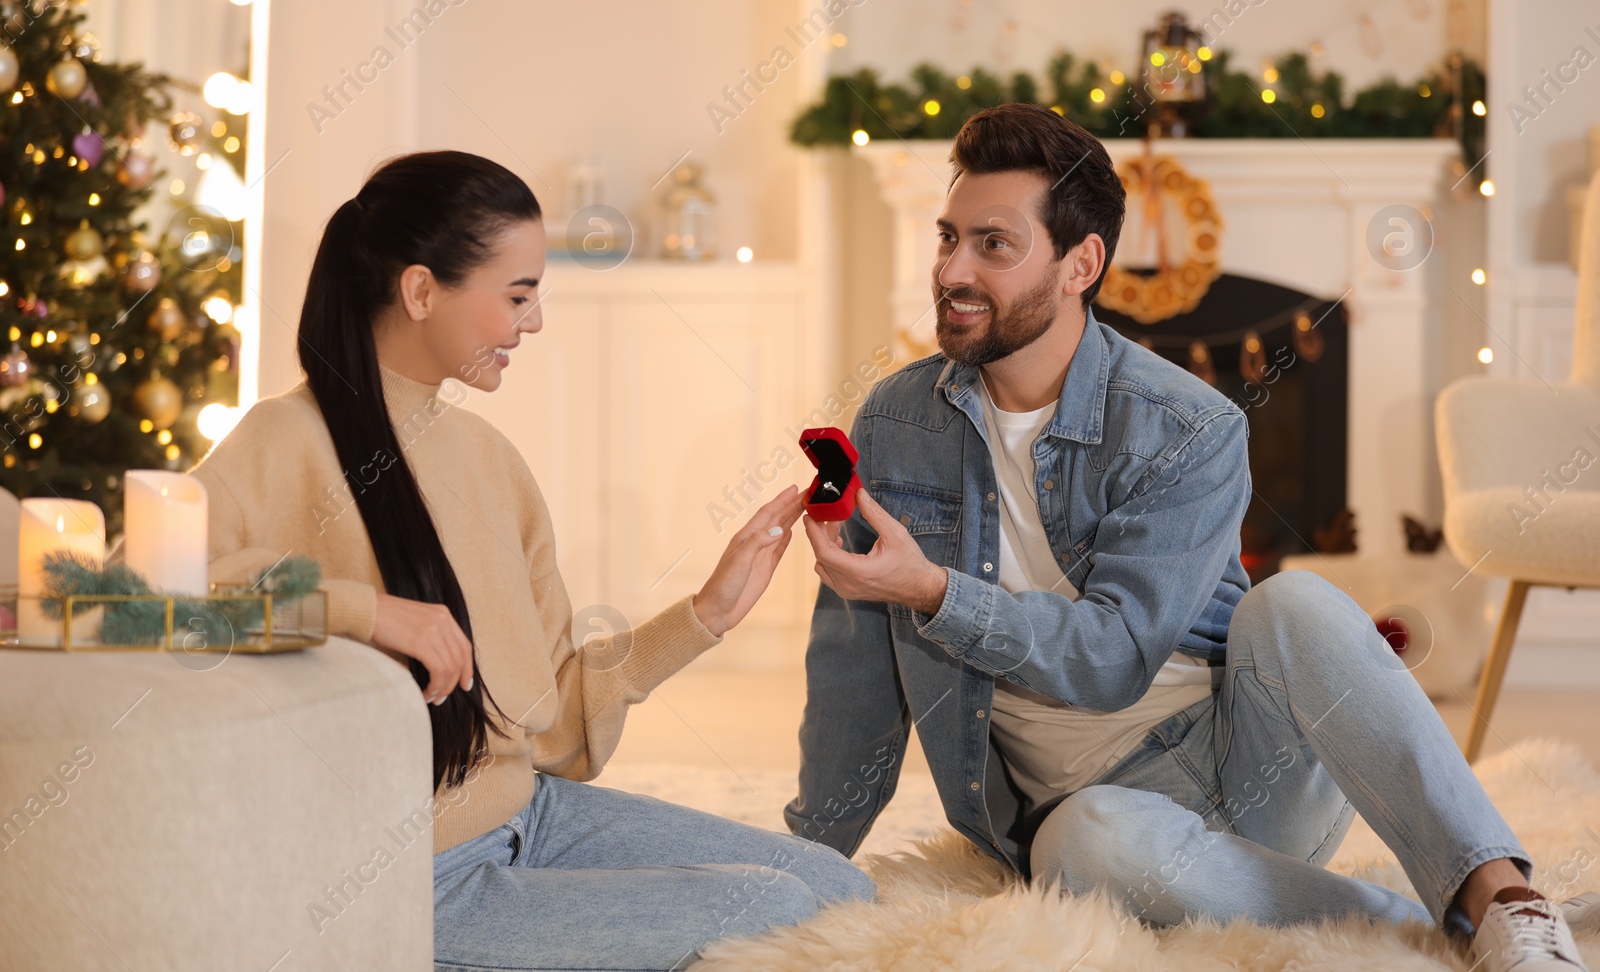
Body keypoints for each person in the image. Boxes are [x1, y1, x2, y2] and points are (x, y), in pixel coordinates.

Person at [785, 103, 1594, 972]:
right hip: (1088, 816)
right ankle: (1406, 922)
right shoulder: (898, 420)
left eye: (993, 243)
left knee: (1294, 600)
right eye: (948, 238)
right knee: (1076, 847)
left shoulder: (1187, 424)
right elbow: (852, 663)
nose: (952, 268)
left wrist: (938, 594)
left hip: (1244, 767)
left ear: (1080, 263)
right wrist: (804, 865)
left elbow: (1113, 658)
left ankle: (1503, 897)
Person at [192, 150, 874, 971]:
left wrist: (707, 613)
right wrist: (363, 610)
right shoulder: (282, 441)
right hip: (410, 879)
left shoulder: (490, 458)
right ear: (419, 291)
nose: (537, 321)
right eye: (518, 295)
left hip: (532, 813)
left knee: (837, 889)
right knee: (773, 909)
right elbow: (142, 598)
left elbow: (551, 725)